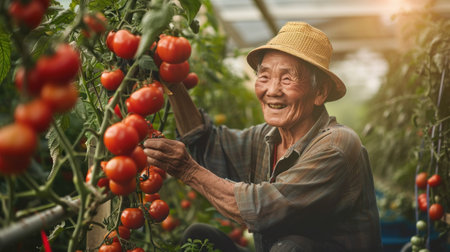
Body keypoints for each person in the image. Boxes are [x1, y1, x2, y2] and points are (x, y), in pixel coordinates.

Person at [143, 22, 383, 252]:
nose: (272, 90)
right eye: (265, 76)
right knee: (200, 236)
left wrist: (188, 171)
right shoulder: (267, 137)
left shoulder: (336, 145)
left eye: (287, 78)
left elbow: (262, 210)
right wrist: (171, 79)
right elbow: (207, 144)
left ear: (319, 92)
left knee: (292, 247)